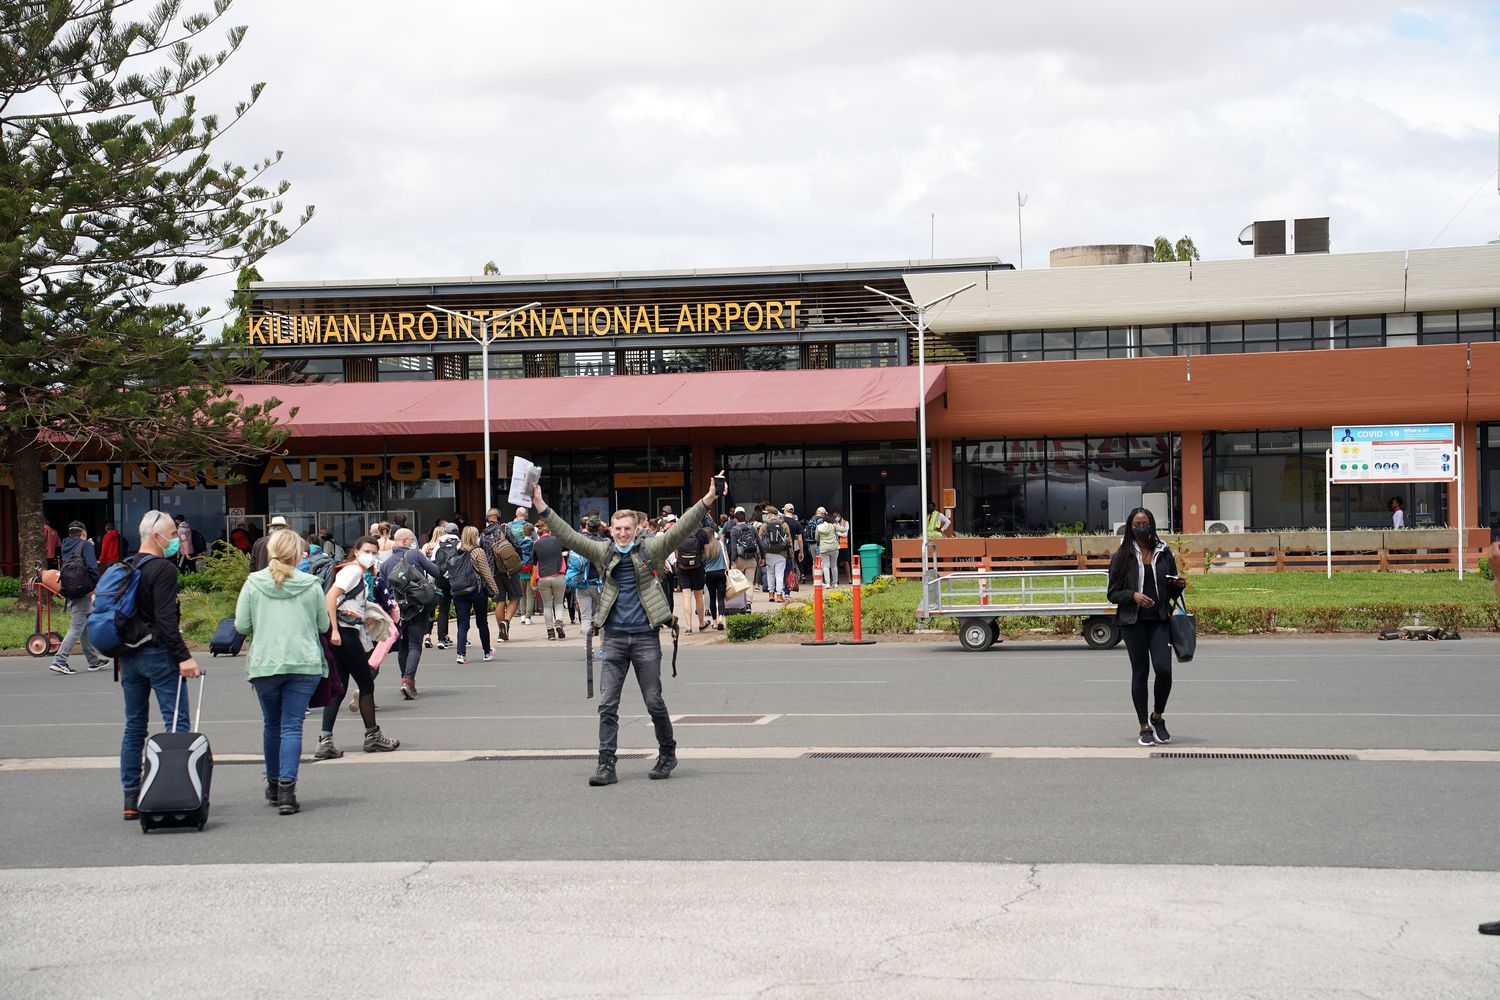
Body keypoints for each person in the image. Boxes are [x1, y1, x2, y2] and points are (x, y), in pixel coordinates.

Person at [531, 471, 723, 786]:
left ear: (636, 530)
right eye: (617, 528)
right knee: (607, 704)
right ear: (611, 529)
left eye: (627, 529)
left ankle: (667, 752)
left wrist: (709, 498)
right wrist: (541, 504)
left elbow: (682, 527)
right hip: (614, 639)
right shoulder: (603, 551)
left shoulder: (651, 550)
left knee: (654, 701)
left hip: (646, 637)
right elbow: (569, 536)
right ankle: (606, 765)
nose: (622, 533)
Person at [234, 528, 330, 815]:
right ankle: (288, 790)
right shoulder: (311, 584)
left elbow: (241, 625)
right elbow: (323, 625)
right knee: (292, 726)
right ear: (298, 554)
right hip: (303, 662)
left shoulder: (253, 582)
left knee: (271, 724)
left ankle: (273, 784)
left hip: (265, 662)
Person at [118, 510, 200, 821]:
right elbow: (166, 620)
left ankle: (131, 797)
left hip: (128, 656)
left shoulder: (125, 565)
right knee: (176, 725)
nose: (177, 540)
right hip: (158, 655)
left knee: (134, 726)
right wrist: (184, 656)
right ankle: (173, 791)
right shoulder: (163, 569)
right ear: (156, 537)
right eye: (173, 535)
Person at [1106, 507, 1187, 747]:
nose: (1142, 528)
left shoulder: (1164, 552)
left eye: (1145, 523)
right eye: (1137, 524)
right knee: (1140, 672)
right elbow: (1112, 593)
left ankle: (1158, 717)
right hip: (1133, 622)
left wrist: (1178, 585)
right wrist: (1134, 596)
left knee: (1164, 670)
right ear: (1130, 528)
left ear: (1152, 525)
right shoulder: (1122, 556)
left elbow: (1170, 587)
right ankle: (1144, 727)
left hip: (1160, 620)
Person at [315, 535, 400, 759]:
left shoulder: (356, 572)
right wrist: (335, 629)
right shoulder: (352, 571)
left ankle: (325, 740)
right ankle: (372, 736)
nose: (370, 556)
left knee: (340, 687)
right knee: (366, 683)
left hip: (343, 633)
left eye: (374, 552)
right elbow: (330, 597)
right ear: (356, 551)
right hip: (345, 633)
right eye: (366, 552)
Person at [381, 528, 444, 699]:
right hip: (418, 607)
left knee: (403, 646)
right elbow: (436, 572)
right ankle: (408, 679)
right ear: (404, 541)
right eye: (411, 540)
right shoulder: (415, 555)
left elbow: (383, 589)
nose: (412, 542)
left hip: (397, 610)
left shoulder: (385, 564)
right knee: (415, 645)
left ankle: (405, 679)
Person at [50, 522, 108, 675]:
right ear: (83, 533)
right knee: (76, 627)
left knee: (84, 626)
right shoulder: (86, 545)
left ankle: (93, 661)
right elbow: (92, 567)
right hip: (83, 590)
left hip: (70, 587)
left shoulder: (66, 545)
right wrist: (95, 586)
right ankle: (59, 660)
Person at [452, 525, 497, 663]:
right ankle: (487, 651)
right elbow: (486, 572)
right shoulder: (478, 551)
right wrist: (494, 589)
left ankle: (461, 654)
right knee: (482, 622)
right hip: (476, 590)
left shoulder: (456, 552)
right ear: (474, 536)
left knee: (463, 624)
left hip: (459, 591)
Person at [532, 521, 568, 640]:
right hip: (558, 575)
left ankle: (550, 632)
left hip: (543, 577)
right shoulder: (557, 541)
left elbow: (535, 561)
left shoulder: (536, 544)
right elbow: (567, 547)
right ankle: (559, 622)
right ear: (550, 531)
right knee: (558, 602)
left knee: (547, 605)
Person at [674, 518, 711, 632]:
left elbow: (676, 555)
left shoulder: (679, 532)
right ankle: (701, 624)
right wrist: (699, 558)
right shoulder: (702, 533)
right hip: (697, 567)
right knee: (698, 596)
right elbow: (707, 554)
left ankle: (688, 627)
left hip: (682, 568)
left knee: (686, 596)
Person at [430, 523, 463, 649]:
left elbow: (433, 564)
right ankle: (462, 638)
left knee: (443, 609)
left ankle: (441, 638)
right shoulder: (460, 544)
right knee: (460, 609)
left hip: (441, 580)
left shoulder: (438, 545)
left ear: (445, 532)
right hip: (457, 580)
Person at [758, 504, 793, 603]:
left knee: (770, 573)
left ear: (770, 514)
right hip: (781, 553)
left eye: (767, 514)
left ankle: (771, 594)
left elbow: (760, 539)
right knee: (779, 574)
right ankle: (779, 595)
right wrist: (790, 553)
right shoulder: (783, 524)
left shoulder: (764, 525)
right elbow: (789, 540)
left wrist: (761, 555)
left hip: (768, 553)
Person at [728, 507, 761, 609]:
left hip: (739, 559)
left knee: (738, 582)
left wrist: (732, 561)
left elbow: (733, 547)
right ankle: (748, 604)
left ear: (735, 519)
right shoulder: (752, 528)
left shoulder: (734, 530)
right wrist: (762, 557)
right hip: (751, 559)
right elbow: (760, 544)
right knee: (749, 582)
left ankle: (740, 604)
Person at [702, 515, 728, 631]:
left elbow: (703, 560)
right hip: (721, 572)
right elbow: (726, 558)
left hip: (709, 573)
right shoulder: (720, 544)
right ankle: (721, 618)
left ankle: (714, 622)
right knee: (721, 598)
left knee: (712, 598)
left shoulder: (705, 547)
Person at [814, 507, 841, 586]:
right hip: (834, 547)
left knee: (826, 566)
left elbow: (816, 538)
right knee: (834, 565)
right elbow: (839, 534)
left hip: (824, 548)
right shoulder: (833, 526)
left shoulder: (819, 527)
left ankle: (828, 583)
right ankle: (835, 583)